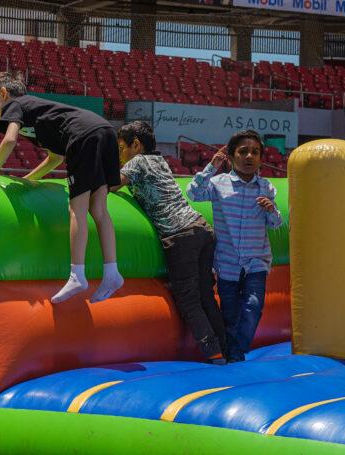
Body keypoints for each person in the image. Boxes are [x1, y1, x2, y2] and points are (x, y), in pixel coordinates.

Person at [0, 72, 123, 304]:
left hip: (83, 135)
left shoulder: (15, 105)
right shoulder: (36, 115)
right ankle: (112, 273)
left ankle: (77, 274)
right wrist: (26, 180)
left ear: (2, 93)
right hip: (104, 130)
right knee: (99, 209)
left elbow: (9, 140)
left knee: (77, 209)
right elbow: (54, 158)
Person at [115, 121, 226, 364]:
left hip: (180, 234)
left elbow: (112, 184)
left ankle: (213, 353)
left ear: (136, 145)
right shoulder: (160, 161)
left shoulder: (139, 161)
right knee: (206, 293)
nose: (119, 154)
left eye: (122, 147)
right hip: (201, 228)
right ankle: (227, 348)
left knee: (187, 298)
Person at [188, 130, 282, 363]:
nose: (249, 156)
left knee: (253, 307)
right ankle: (232, 355)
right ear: (231, 157)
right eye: (243, 151)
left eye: (255, 152)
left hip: (256, 261)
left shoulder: (266, 187)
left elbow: (276, 223)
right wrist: (211, 167)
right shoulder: (218, 184)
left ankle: (236, 352)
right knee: (230, 313)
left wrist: (272, 209)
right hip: (227, 262)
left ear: (261, 158)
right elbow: (193, 193)